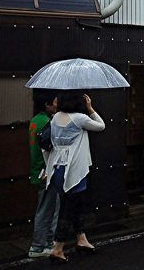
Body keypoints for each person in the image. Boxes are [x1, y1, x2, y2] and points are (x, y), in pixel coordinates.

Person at [46, 91, 105, 264]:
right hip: (73, 170)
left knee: (75, 204)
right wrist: (90, 107)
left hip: (57, 168)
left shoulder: (56, 117)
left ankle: (82, 239)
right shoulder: (79, 118)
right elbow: (101, 126)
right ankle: (58, 248)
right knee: (68, 208)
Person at [28, 90, 60, 259]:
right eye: (54, 102)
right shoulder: (47, 123)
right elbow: (50, 149)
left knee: (47, 208)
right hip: (45, 172)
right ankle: (39, 245)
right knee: (47, 209)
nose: (57, 104)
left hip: (37, 170)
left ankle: (45, 242)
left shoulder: (35, 121)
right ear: (47, 104)